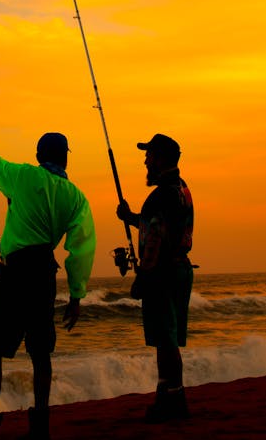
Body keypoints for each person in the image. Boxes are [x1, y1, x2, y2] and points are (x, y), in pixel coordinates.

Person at [0, 129, 96, 440]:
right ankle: (41, 420)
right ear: (65, 157)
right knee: (41, 351)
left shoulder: (23, 176)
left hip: (15, 274)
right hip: (45, 274)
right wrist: (76, 295)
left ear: (38, 156)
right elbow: (82, 249)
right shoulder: (76, 198)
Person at [117, 133, 194, 422]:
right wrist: (132, 217)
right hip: (181, 269)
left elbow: (155, 238)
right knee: (168, 339)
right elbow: (160, 225)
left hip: (162, 273)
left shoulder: (160, 194)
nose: (145, 160)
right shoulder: (181, 189)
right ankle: (170, 396)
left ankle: (173, 402)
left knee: (165, 340)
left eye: (149, 155)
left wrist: (144, 276)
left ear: (161, 159)